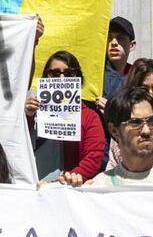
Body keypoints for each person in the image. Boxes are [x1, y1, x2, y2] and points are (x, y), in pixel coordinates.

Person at [27, 50, 107, 184]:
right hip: (36, 186)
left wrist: (67, 180)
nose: (62, 79)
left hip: (72, 187)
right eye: (55, 73)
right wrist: (27, 117)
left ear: (78, 78)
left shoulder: (90, 117)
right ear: (46, 77)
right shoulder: (32, 111)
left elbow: (94, 156)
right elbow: (19, 144)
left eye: (69, 73)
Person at [99, 16, 135, 107]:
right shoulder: (96, 75)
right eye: (109, 37)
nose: (113, 42)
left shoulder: (137, 75)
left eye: (120, 38)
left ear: (132, 45)